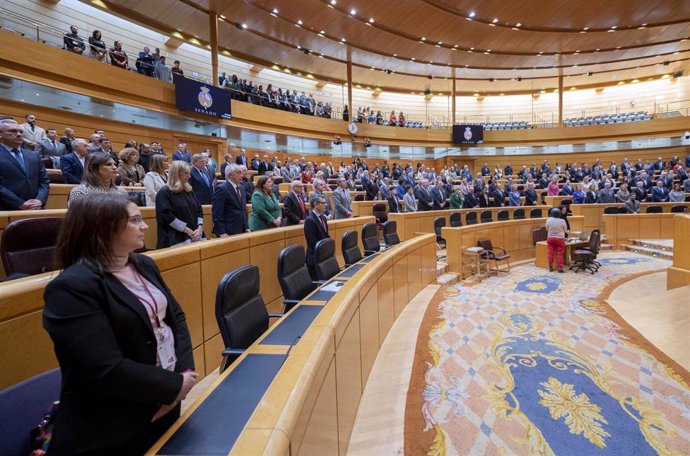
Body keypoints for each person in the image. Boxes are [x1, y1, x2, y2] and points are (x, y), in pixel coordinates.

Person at [43, 193, 197, 455]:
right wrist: (171, 387)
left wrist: (184, 376)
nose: (145, 225)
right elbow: (104, 369)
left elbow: (175, 318)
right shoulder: (71, 288)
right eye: (135, 220)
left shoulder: (144, 264)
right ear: (104, 227)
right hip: (113, 427)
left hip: (166, 403)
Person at [0, 118, 50, 210]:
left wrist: (39, 200)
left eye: (21, 131)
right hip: (6, 209)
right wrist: (19, 203)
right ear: (1, 134)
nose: (19, 134)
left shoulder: (33, 156)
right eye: (12, 131)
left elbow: (44, 181)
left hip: (36, 208)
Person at [155, 161, 204, 248]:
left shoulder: (189, 191)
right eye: (186, 173)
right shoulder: (164, 193)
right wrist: (186, 230)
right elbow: (167, 216)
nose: (189, 176)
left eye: (189, 173)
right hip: (175, 240)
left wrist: (199, 227)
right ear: (176, 174)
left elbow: (199, 209)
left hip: (194, 235)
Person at [212, 163, 249, 236]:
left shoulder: (242, 188)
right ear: (230, 175)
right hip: (227, 231)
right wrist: (222, 232)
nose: (242, 175)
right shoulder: (221, 189)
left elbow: (243, 210)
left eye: (242, 173)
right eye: (239, 173)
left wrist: (246, 227)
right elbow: (217, 213)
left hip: (242, 230)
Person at [304, 195, 330, 279]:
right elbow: (312, 242)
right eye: (323, 203)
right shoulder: (310, 220)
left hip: (323, 256)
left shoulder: (323, 218)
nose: (325, 205)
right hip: (314, 258)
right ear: (315, 205)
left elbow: (325, 235)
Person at [545, 207, 568, 273]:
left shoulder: (548, 220)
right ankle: (560, 268)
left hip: (550, 238)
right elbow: (565, 230)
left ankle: (550, 267)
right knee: (560, 253)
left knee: (550, 253)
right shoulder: (562, 221)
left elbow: (547, 229)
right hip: (560, 239)